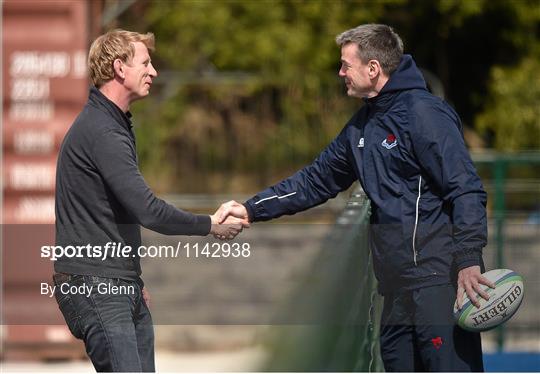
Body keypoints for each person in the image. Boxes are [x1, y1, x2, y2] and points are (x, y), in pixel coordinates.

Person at [217, 24, 494, 372]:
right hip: (395, 289)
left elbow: (466, 188)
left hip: (439, 281)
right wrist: (250, 209)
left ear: (373, 69)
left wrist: (469, 258)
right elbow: (315, 180)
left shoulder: (425, 114)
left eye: (346, 65)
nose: (340, 72)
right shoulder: (362, 125)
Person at [54, 29, 246, 372]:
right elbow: (147, 209)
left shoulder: (113, 125)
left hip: (117, 282)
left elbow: (116, 212)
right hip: (98, 287)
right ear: (119, 68)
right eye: (145, 62)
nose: (154, 71)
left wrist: (132, 279)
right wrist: (209, 225)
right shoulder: (103, 132)